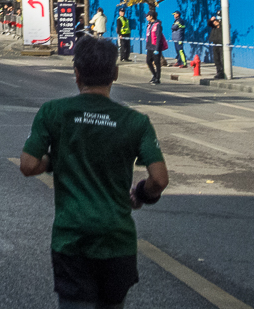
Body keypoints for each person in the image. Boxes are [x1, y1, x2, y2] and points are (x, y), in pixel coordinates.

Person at [20, 36, 169, 309]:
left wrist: (55, 159)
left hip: (71, 240)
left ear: (76, 73)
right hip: (117, 242)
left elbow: (28, 165)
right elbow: (159, 180)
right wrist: (140, 193)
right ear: (115, 73)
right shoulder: (136, 122)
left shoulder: (54, 112)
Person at [145, 12, 166, 85]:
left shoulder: (158, 25)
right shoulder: (149, 25)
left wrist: (157, 49)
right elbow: (148, 36)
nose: (146, 17)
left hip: (155, 47)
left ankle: (157, 78)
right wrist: (147, 46)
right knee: (148, 61)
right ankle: (154, 75)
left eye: (147, 16)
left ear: (151, 17)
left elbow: (159, 37)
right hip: (149, 47)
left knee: (157, 63)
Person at [208, 12, 225, 79]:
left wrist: (220, 23)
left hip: (221, 44)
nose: (215, 22)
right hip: (215, 43)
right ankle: (218, 72)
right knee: (216, 59)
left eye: (217, 21)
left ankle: (222, 73)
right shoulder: (214, 27)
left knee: (221, 59)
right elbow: (209, 24)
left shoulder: (223, 26)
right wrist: (211, 20)